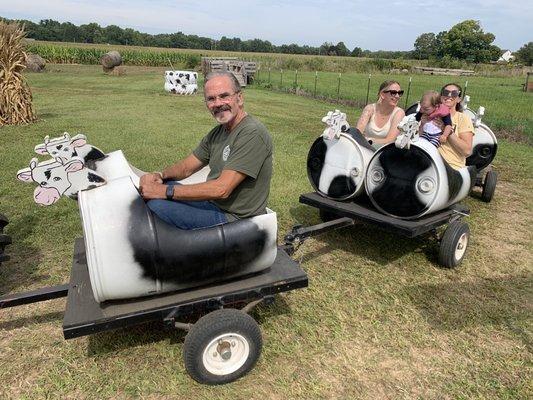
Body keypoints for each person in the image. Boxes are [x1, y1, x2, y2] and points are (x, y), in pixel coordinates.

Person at [139, 71, 273, 230]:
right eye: (211, 98)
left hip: (235, 218)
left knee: (156, 205)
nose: (217, 103)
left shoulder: (252, 133)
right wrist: (159, 176)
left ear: (240, 98)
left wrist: (164, 191)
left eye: (224, 96)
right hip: (214, 204)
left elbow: (221, 189)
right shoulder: (219, 133)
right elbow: (186, 167)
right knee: (164, 186)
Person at [355, 80, 405, 145]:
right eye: (393, 93)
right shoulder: (369, 109)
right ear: (382, 94)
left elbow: (390, 140)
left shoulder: (399, 113)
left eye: (400, 93)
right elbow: (357, 132)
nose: (397, 96)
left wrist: (368, 140)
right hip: (365, 149)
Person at [438, 83, 474, 169]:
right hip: (429, 161)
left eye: (454, 94)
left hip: (452, 166)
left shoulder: (463, 119)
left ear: (458, 99)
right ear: (441, 96)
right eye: (446, 93)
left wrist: (448, 131)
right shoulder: (431, 115)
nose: (449, 96)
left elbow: (467, 151)